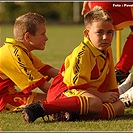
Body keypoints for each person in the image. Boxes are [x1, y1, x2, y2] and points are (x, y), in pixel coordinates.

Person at [22, 6, 126, 123]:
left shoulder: (107, 50)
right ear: (87, 33)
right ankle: (42, 108)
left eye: (109, 32)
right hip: (63, 93)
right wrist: (101, 97)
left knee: (120, 106)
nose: (105, 37)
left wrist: (114, 96)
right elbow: (76, 85)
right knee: (96, 103)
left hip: (86, 94)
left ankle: (69, 115)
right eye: (99, 32)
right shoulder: (82, 53)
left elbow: (111, 81)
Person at [0, 12, 59, 112]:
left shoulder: (21, 50)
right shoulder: (15, 54)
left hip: (9, 94)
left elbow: (49, 70)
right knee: (57, 101)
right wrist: (73, 93)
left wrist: (73, 78)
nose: (46, 38)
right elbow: (44, 86)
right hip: (3, 99)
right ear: (27, 37)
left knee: (60, 98)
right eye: (42, 34)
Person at [81, 1, 133, 85]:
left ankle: (98, 73)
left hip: (96, 3)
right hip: (116, 3)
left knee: (99, 33)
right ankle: (121, 71)